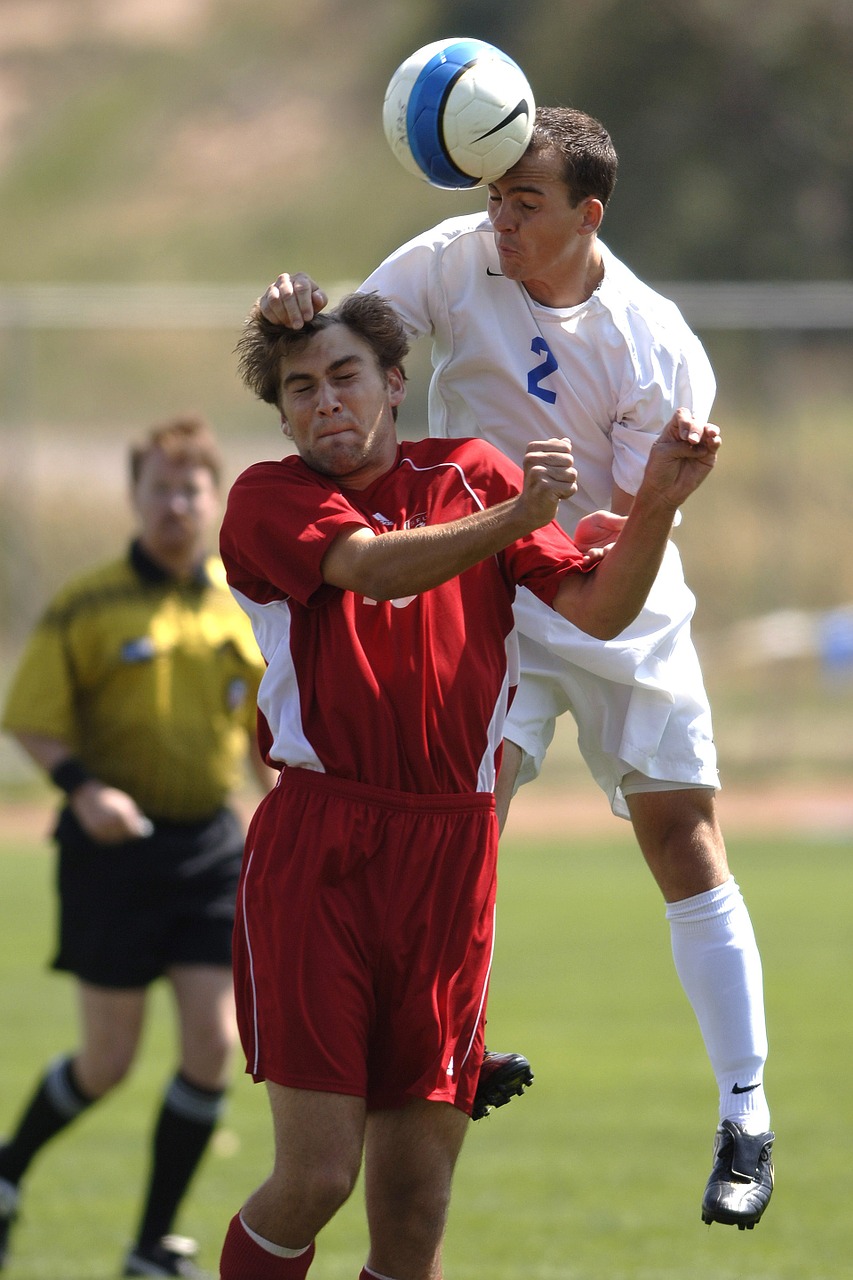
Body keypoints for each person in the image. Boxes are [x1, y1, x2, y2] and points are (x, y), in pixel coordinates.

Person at [257, 105, 774, 1231]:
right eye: (492, 192)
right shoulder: (452, 259)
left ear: (586, 216)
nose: (496, 217)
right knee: (462, 807)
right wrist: (296, 301)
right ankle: (459, 1036)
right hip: (489, 584)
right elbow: (349, 340)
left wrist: (586, 518)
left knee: (681, 831)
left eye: (521, 201)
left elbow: (631, 527)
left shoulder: (653, 338)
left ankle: (746, 1109)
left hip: (609, 579)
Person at [216, 290, 721, 1280]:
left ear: (395, 380)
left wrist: (656, 500)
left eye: (344, 374)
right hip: (322, 851)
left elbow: (598, 609)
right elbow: (371, 571)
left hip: (453, 851)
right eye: (299, 388)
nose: (324, 401)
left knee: (414, 1210)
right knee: (317, 1173)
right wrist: (521, 515)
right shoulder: (268, 497)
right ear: (279, 415)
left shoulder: (472, 475)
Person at [0, 415, 276, 1279]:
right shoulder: (86, 603)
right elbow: (32, 721)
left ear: (210, 499)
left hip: (206, 852)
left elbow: (267, 731)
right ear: (136, 499)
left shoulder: (243, 603)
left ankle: (149, 1246)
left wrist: (282, 815)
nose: (174, 505)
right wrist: (85, 789)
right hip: (109, 855)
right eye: (158, 489)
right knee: (108, 1062)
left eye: (189, 490)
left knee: (213, 1046)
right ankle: (6, 1175)